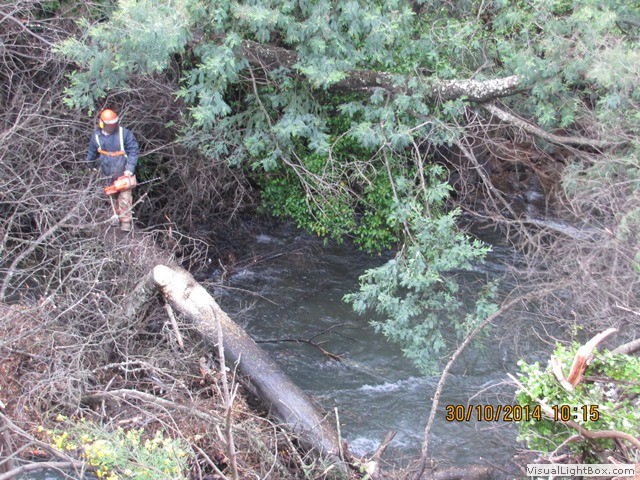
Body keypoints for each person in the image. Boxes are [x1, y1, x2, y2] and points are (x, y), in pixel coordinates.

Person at [87, 109, 140, 232]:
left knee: (125, 198)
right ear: (102, 123)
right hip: (106, 172)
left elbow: (133, 151)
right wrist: (90, 165)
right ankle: (114, 219)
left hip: (123, 172)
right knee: (111, 197)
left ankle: (126, 223)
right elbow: (91, 152)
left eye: (114, 124)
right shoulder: (96, 137)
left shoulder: (124, 134)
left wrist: (130, 169)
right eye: (109, 124)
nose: (112, 127)